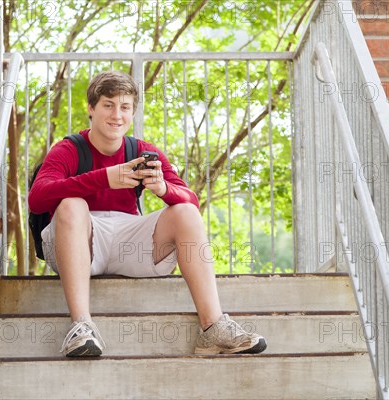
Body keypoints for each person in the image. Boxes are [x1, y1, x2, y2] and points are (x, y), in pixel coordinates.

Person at [28, 71, 267, 357]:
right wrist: (104, 178)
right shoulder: (69, 149)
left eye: (125, 107)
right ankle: (82, 328)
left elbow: (190, 199)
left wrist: (163, 188)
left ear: (132, 112)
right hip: (80, 241)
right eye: (108, 105)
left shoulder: (142, 150)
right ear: (91, 109)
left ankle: (212, 327)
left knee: (186, 213)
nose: (117, 115)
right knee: (72, 204)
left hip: (130, 242)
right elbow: (37, 198)